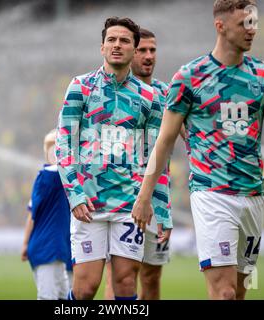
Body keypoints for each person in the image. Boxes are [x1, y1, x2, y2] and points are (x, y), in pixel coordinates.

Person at [132, 0, 264, 300]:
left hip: (254, 195)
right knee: (224, 294)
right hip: (211, 193)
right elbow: (165, 140)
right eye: (245, 23)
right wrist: (144, 196)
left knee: (240, 292)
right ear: (220, 26)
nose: (252, 29)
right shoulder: (189, 77)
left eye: (254, 22)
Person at [56, 17, 172, 300]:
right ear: (102, 47)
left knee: (125, 284)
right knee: (85, 288)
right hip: (89, 206)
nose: (117, 45)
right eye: (111, 40)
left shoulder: (150, 97)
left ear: (134, 49)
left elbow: (155, 157)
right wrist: (75, 195)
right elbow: (63, 145)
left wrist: (160, 208)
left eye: (124, 41)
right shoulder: (80, 87)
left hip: (130, 206)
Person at [104, 28, 172, 300]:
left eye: (152, 50)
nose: (148, 56)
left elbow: (191, 134)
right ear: (131, 52)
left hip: (156, 197)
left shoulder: (167, 93)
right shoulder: (114, 93)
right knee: (120, 275)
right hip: (121, 195)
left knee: (152, 276)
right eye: (142, 50)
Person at [21, 129, 73, 300]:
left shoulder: (47, 178)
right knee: (48, 297)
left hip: (53, 249)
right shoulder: (50, 176)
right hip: (48, 247)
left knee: (63, 297)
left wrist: (25, 243)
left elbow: (31, 215)